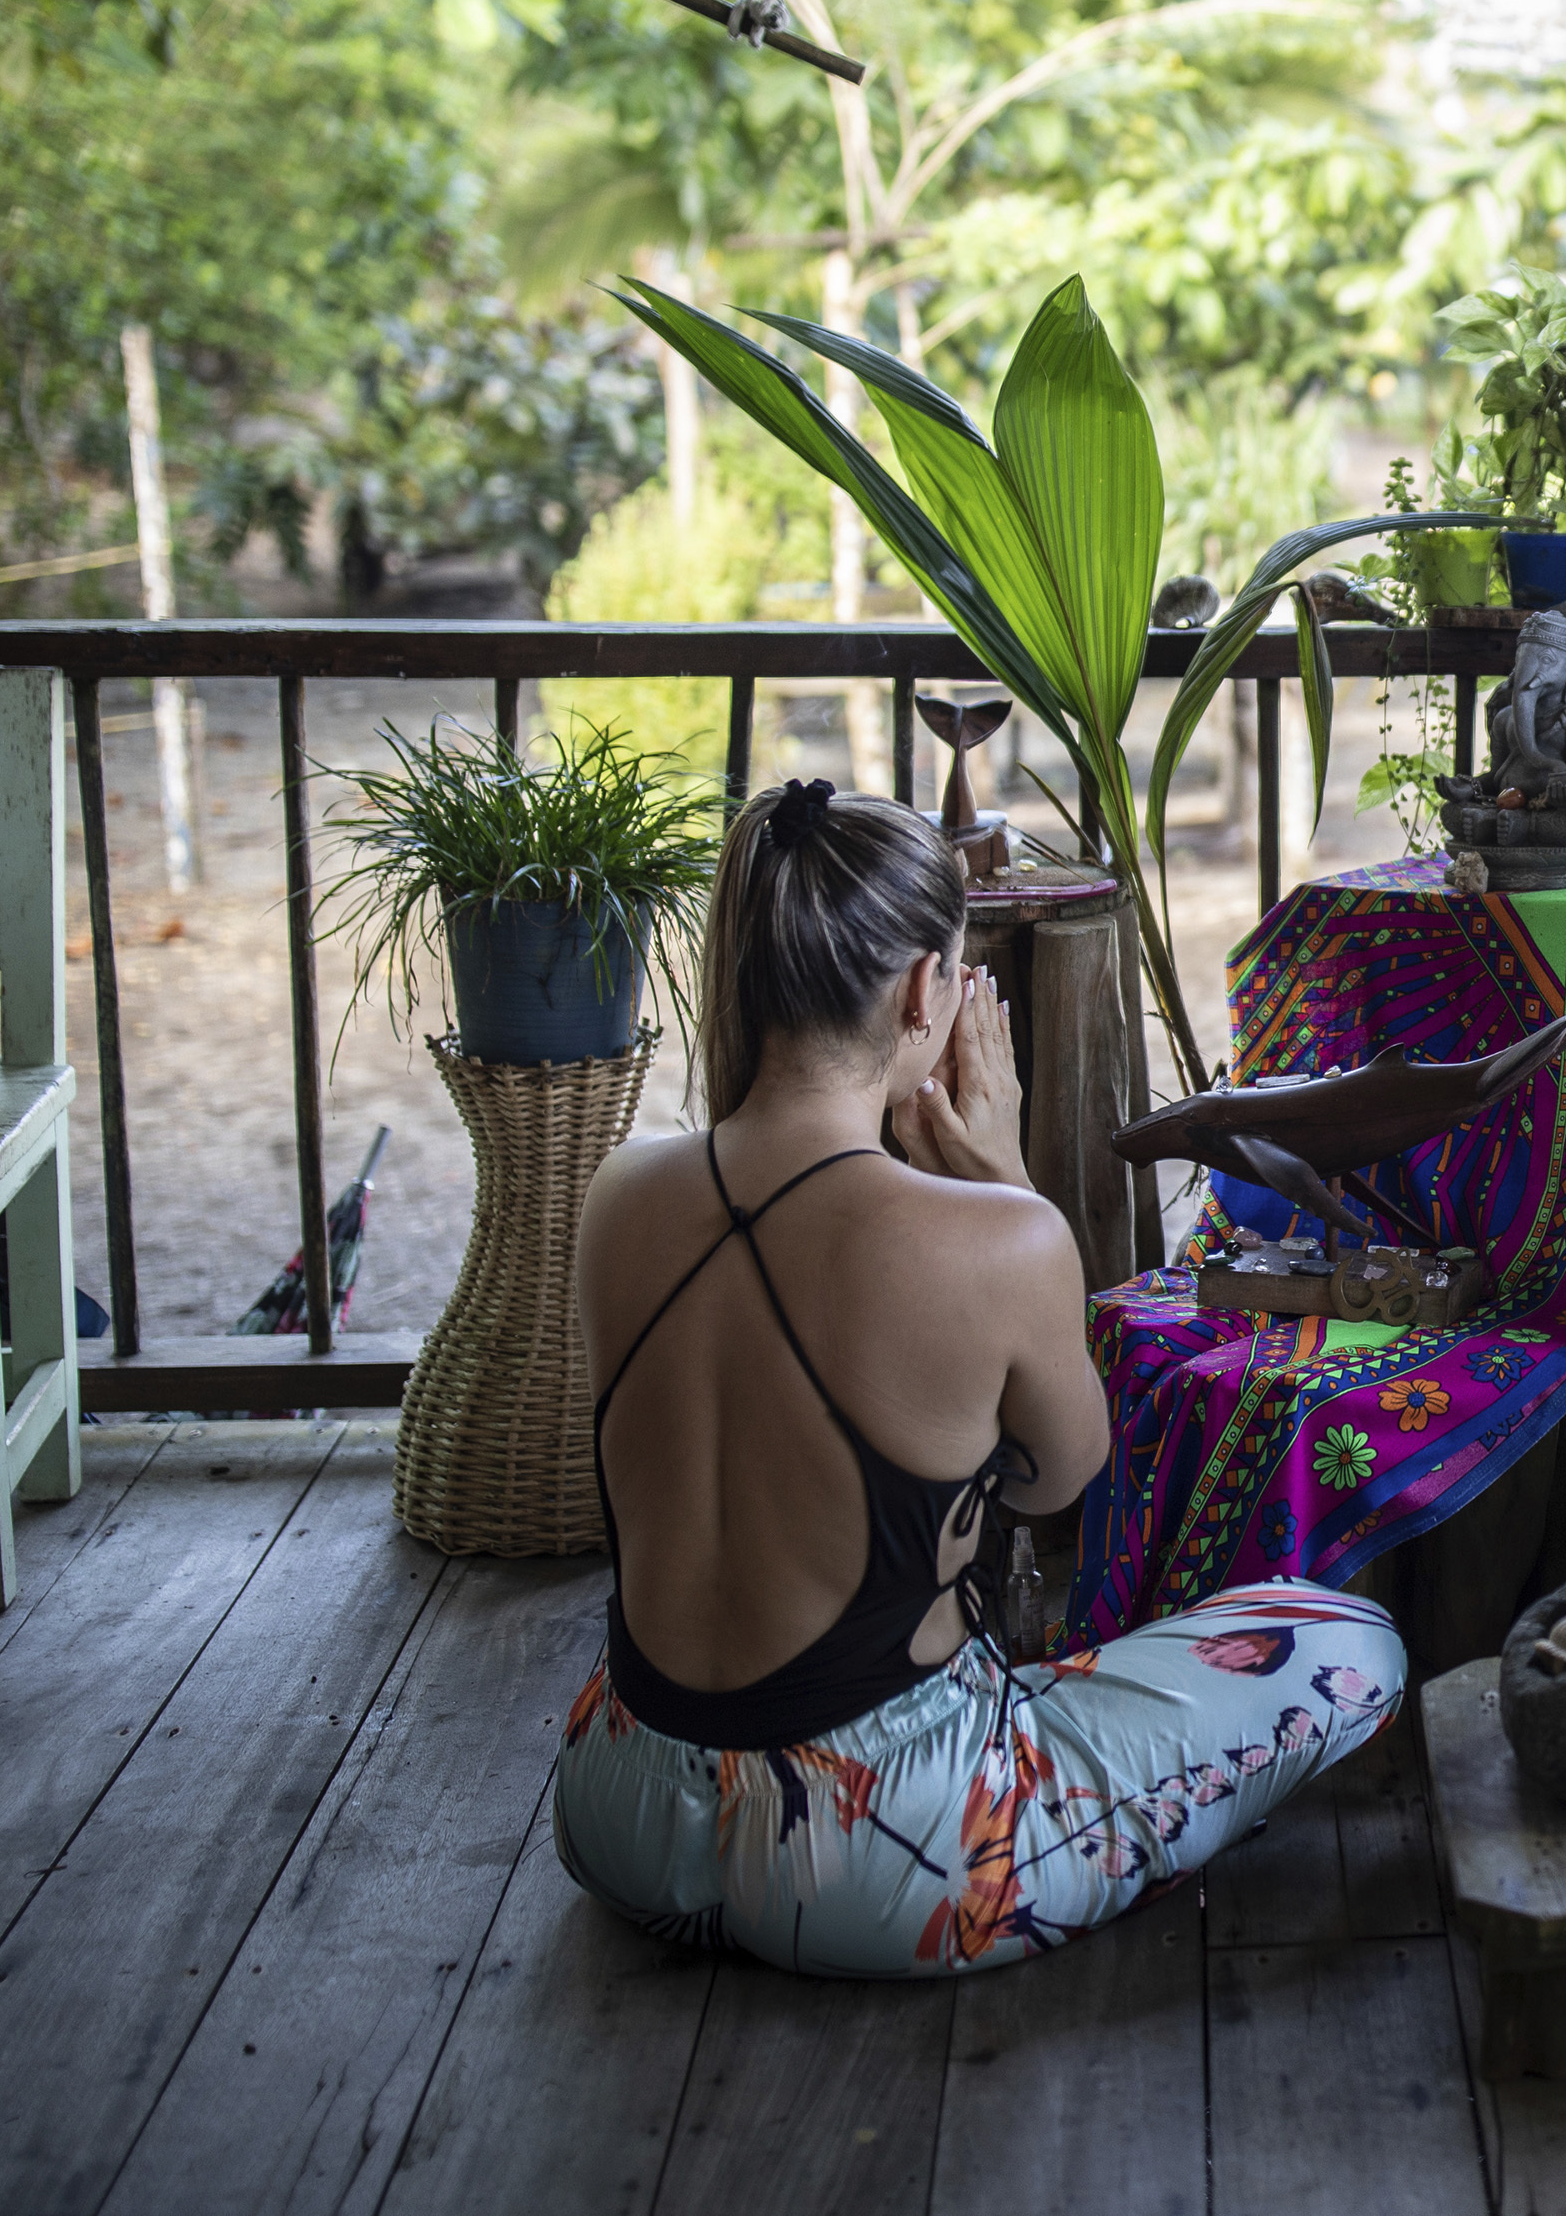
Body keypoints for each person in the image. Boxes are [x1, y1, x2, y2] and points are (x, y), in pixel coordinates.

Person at [553, 778, 1404, 1977]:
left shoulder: (620, 1194)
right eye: (954, 972)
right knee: (1348, 1646)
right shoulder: (997, 1239)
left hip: (623, 1811)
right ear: (920, 991)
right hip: (881, 1864)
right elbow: (1062, 1479)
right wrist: (1007, 1188)